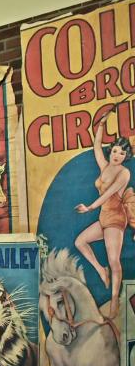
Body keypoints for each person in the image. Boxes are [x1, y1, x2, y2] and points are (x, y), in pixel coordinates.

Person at [74, 118, 134, 318]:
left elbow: (108, 195)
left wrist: (90, 207)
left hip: (115, 218)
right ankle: (101, 270)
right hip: (103, 217)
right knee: (80, 241)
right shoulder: (105, 166)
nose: (117, 155)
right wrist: (101, 125)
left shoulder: (124, 173)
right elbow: (97, 145)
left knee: (114, 259)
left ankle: (115, 298)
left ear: (126, 156)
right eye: (116, 150)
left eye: (122, 153)